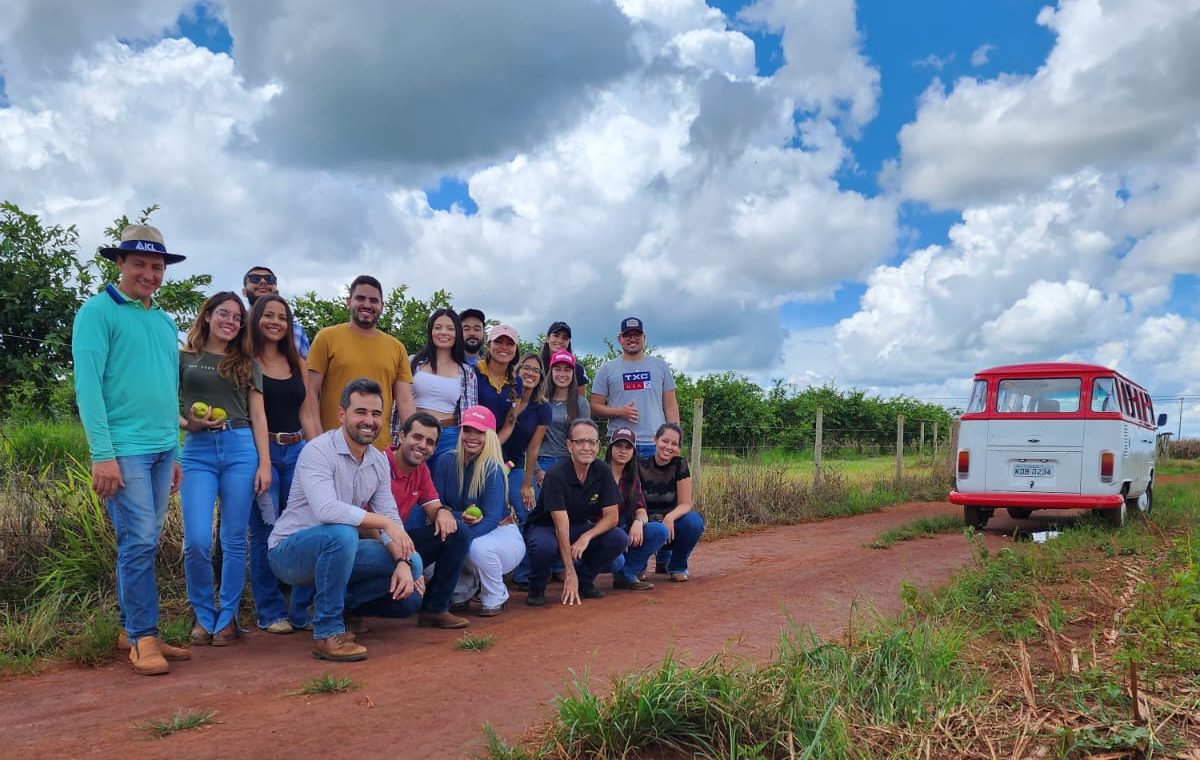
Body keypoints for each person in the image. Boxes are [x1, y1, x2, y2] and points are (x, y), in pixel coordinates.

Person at [269, 379, 469, 663]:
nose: (369, 421)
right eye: (360, 411)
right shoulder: (318, 450)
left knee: (414, 564)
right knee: (342, 533)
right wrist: (386, 524)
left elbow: (389, 515)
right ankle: (327, 632)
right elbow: (327, 510)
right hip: (290, 553)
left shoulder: (376, 461)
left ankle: (341, 606)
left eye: (376, 414)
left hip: (340, 550)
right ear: (342, 414)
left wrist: (402, 562)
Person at [72, 223, 191, 675]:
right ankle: (145, 637)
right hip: (124, 451)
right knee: (138, 542)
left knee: (144, 541)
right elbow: (88, 388)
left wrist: (176, 452)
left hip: (162, 449)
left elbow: (167, 390)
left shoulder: (163, 322)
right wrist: (102, 454)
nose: (148, 273)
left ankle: (131, 629)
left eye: (156, 266)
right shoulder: (97, 313)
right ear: (119, 263)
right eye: (139, 264)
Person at [178, 292, 271, 646]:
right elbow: (163, 405)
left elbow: (259, 415)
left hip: (240, 446)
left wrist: (264, 463)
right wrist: (190, 425)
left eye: (236, 317)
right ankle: (203, 615)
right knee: (198, 541)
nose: (230, 321)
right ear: (207, 316)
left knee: (234, 539)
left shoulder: (247, 362)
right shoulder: (184, 357)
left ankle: (227, 617)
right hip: (198, 451)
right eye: (223, 314)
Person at [245, 294, 322, 635]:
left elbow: (307, 412)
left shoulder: (298, 363)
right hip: (264, 452)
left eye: (282, 318)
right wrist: (263, 462)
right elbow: (257, 415)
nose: (275, 322)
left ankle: (301, 609)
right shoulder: (247, 361)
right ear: (256, 320)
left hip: (297, 451)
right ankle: (269, 610)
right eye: (269, 316)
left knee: (306, 528)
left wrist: (320, 453)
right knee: (265, 532)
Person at [523, 419, 629, 606]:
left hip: (579, 526)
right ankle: (537, 586)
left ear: (598, 446)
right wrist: (568, 572)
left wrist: (587, 536)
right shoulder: (555, 475)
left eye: (592, 442)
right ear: (569, 445)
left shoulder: (602, 471)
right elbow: (560, 527)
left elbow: (612, 517)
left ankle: (585, 581)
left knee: (619, 538)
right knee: (543, 546)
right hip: (547, 526)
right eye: (580, 442)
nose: (587, 447)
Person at [432, 406, 526, 616]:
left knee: (475, 548)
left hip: (501, 533)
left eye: (480, 432)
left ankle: (496, 594)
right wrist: (457, 518)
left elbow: (492, 518)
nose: (472, 437)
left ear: (490, 436)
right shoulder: (445, 460)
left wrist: (458, 541)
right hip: (462, 527)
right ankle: (463, 590)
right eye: (467, 430)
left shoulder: (493, 467)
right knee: (433, 555)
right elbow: (438, 505)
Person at [305, 275, 415, 449]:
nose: (367, 305)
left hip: (378, 449)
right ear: (348, 301)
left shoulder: (397, 347)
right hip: (332, 445)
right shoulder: (326, 338)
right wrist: (316, 442)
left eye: (373, 300)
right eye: (360, 298)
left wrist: (412, 442)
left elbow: (405, 401)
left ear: (382, 306)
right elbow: (309, 392)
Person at [383, 412, 473, 624]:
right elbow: (364, 525)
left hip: (400, 541)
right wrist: (403, 558)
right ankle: (351, 609)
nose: (423, 445)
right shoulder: (379, 463)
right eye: (417, 437)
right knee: (406, 605)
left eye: (430, 442)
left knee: (457, 531)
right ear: (402, 436)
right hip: (370, 543)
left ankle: (435, 609)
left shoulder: (421, 470)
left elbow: (434, 505)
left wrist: (442, 513)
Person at [590, 316, 679, 460]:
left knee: (657, 483)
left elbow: (670, 405)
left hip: (655, 443)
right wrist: (620, 412)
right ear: (620, 338)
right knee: (620, 483)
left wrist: (674, 438)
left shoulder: (660, 366)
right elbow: (594, 406)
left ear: (643, 337)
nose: (632, 339)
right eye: (627, 335)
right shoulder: (606, 369)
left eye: (636, 334)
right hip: (620, 442)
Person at [406, 308, 477, 471]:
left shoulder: (466, 372)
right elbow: (400, 402)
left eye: (450, 328)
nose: (443, 332)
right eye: (438, 327)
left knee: (441, 489)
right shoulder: (413, 363)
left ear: (457, 333)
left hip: (448, 436)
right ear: (430, 331)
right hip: (415, 432)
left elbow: (469, 414)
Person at [503, 353, 551, 589]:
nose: (530, 373)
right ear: (516, 370)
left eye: (536, 370)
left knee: (526, 510)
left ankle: (522, 573)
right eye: (526, 368)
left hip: (512, 464)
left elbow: (533, 449)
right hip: (488, 461)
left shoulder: (542, 408)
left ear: (541, 377)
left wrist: (526, 484)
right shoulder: (505, 396)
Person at [604, 425, 667, 591]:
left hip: (624, 528)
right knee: (615, 558)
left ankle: (626, 575)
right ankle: (584, 575)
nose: (623, 451)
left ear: (633, 452)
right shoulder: (598, 473)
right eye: (618, 446)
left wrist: (639, 522)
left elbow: (641, 509)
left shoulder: (632, 478)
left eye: (628, 447)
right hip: (603, 532)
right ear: (610, 449)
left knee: (659, 530)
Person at [640, 422, 705, 582]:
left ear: (679, 448)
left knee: (694, 522)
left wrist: (669, 518)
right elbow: (635, 501)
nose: (668, 447)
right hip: (646, 524)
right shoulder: (639, 465)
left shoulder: (680, 465)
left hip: (672, 526)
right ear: (655, 440)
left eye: (674, 444)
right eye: (664, 441)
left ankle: (677, 566)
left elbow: (685, 503)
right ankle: (639, 564)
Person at [536, 351, 591, 485]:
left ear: (573, 374)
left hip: (571, 463)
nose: (562, 374)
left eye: (567, 370)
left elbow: (586, 441)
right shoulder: (539, 401)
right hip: (544, 461)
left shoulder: (581, 403)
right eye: (557, 369)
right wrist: (537, 470)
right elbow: (531, 440)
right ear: (551, 371)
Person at [241, 265, 309, 358]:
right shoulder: (235, 326)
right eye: (255, 279)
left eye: (269, 279)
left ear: (277, 292)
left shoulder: (296, 332)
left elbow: (304, 367)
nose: (263, 282)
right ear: (244, 292)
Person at [474, 323, 522, 443]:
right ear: (489, 345)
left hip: (496, 447)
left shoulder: (517, 382)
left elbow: (510, 422)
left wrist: (491, 447)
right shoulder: (472, 373)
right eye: (498, 341)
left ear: (516, 349)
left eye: (510, 343)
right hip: (468, 441)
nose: (504, 347)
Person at [539, 321, 588, 396]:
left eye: (565, 338)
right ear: (547, 338)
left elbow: (581, 402)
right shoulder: (536, 365)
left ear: (568, 342)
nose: (559, 340)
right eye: (556, 335)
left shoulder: (578, 369)